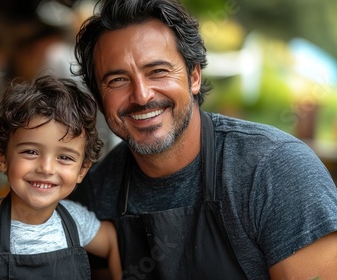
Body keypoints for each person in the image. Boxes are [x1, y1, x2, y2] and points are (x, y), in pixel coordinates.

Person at [68, 0, 337, 279]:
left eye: (157, 71)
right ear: (99, 99)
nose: (142, 95)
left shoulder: (276, 170)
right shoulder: (95, 193)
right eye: (117, 80)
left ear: (194, 76)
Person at [0, 74, 121, 280]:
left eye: (64, 157)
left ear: (82, 170)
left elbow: (114, 241)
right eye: (31, 152)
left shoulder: (76, 220)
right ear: (2, 157)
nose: (46, 168)